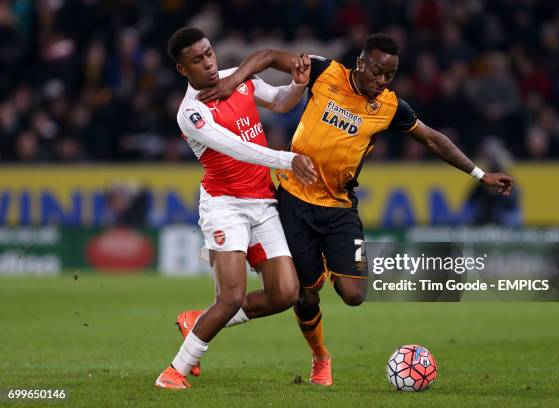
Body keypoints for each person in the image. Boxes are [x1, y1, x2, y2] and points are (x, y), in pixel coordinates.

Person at [193, 33, 514, 386]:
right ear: (361, 63)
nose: (381, 81)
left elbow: (432, 138)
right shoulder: (325, 72)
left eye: (389, 75)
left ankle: (206, 320)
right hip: (294, 202)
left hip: (340, 209)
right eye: (377, 72)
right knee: (303, 293)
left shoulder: (391, 107)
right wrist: (233, 81)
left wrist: (480, 174)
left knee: (353, 294)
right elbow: (268, 55)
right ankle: (320, 359)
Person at [155, 27, 318, 389]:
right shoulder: (191, 113)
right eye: (197, 60)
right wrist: (285, 160)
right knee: (230, 298)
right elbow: (234, 147)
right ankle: (173, 373)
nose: (209, 63)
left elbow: (278, 101)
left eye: (209, 53)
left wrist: (298, 86)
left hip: (262, 202)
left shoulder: (236, 79)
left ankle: (198, 322)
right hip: (225, 207)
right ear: (183, 70)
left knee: (286, 293)